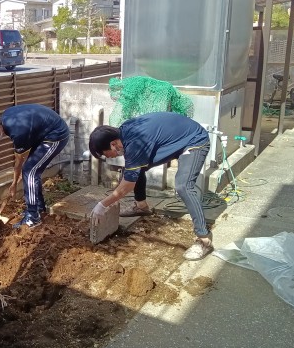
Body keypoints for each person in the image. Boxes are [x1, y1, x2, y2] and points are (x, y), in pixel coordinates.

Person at [88, 111, 212, 260]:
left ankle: (204, 239)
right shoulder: (124, 133)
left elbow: (127, 187)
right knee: (134, 169)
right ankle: (142, 207)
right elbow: (132, 171)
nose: (107, 157)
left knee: (183, 186)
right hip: (179, 137)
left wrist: (102, 205)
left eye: (105, 153)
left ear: (113, 144)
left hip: (195, 141)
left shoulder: (134, 142)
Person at [0, 104, 70, 228]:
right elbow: (22, 156)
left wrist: (14, 183)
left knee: (30, 171)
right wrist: (14, 183)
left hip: (56, 135)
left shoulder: (17, 132)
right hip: (44, 134)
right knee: (31, 170)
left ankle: (33, 218)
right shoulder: (6, 117)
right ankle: (38, 208)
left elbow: (19, 161)